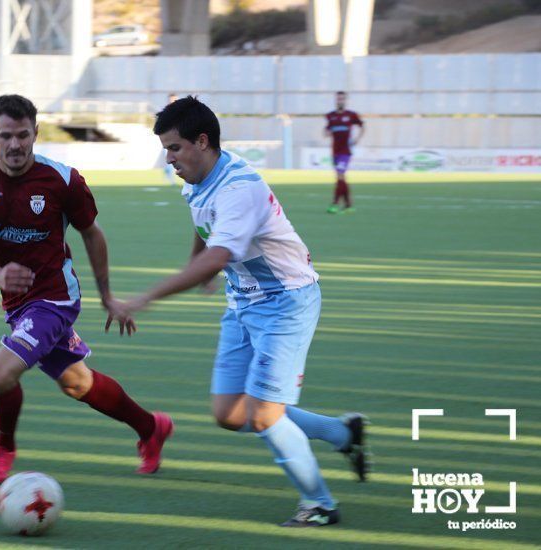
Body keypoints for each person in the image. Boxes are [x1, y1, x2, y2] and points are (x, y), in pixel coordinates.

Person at [108, 96, 369, 527]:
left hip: (286, 302)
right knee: (230, 414)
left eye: (174, 148)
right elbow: (201, 222)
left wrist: (146, 296)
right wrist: (202, 265)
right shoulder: (195, 177)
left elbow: (218, 252)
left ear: (202, 141)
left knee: (266, 414)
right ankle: (344, 434)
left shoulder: (238, 187)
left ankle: (319, 503)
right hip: (244, 301)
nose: (168, 158)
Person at [0, 94, 173, 487]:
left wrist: (108, 296)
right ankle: (150, 428)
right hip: (17, 302)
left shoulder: (62, 179)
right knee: (78, 382)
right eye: (5, 135)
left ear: (36, 133)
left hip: (55, 298)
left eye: (23, 135)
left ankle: (4, 448)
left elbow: (93, 235)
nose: (15, 145)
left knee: (0, 374)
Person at [324, 91, 364, 214]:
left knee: (340, 176)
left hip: (345, 151)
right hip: (335, 151)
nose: (340, 101)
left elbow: (362, 126)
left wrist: (357, 139)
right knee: (341, 178)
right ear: (336, 100)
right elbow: (328, 129)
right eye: (338, 99)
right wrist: (326, 132)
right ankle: (348, 206)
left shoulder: (351, 115)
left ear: (345, 100)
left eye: (342, 99)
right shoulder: (331, 116)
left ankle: (335, 204)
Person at [162, 93, 179, 186]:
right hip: (168, 138)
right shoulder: (166, 111)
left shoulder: (179, 111)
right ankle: (170, 178)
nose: (174, 101)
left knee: (174, 159)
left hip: (176, 138)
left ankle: (168, 174)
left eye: (175, 99)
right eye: (172, 99)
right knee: (170, 159)